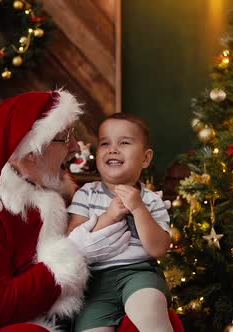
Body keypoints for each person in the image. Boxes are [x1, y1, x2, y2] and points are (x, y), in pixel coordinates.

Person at [0, 91, 132, 331]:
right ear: (30, 153)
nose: (76, 146)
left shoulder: (70, 190)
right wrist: (73, 253)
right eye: (65, 137)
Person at [67, 113, 175, 332]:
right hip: (94, 284)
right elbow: (72, 239)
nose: (112, 149)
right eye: (105, 143)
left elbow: (158, 248)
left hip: (138, 273)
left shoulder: (151, 200)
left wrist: (138, 208)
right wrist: (110, 216)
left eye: (124, 142)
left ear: (145, 159)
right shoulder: (86, 194)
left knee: (150, 306)